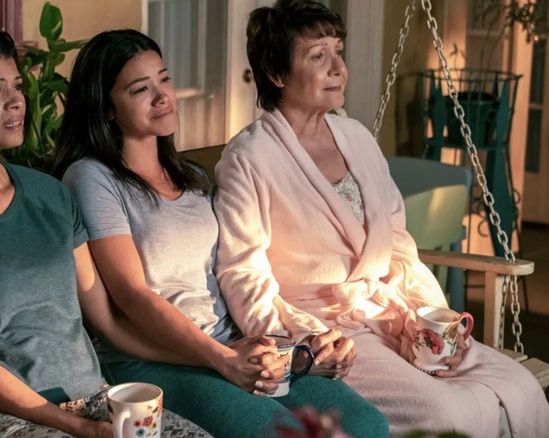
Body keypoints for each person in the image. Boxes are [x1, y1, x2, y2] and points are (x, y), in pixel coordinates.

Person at [213, 1, 549, 436]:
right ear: (277, 74)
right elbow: (243, 275)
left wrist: (426, 318)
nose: (338, 67)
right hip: (327, 334)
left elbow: (398, 244)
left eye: (339, 51)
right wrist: (306, 347)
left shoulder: (356, 137)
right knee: (449, 414)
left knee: (522, 388)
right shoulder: (249, 158)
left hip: (391, 311)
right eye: (318, 56)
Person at [52, 29, 388, 438]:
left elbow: (235, 271)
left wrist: (296, 346)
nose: (163, 96)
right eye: (141, 89)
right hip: (158, 360)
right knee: (278, 434)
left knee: (366, 425)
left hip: (234, 343)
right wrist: (220, 357)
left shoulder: (191, 177)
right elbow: (130, 294)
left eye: (165, 79)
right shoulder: (91, 178)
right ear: (105, 109)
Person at [0, 25, 211, 438]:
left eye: (17, 87)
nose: (16, 101)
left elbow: (107, 324)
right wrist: (74, 427)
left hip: (91, 399)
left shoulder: (49, 195)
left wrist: (214, 358)